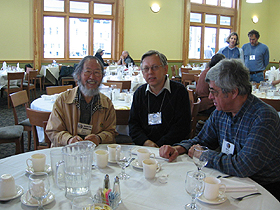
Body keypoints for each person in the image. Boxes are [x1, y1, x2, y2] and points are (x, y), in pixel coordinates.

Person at [159, 59, 280, 200]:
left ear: (233, 92)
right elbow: (202, 139)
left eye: (214, 92)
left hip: (264, 190)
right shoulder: (221, 111)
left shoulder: (264, 117)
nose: (210, 97)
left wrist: (204, 155)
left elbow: (243, 166)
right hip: (230, 181)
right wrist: (179, 148)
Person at [46, 55, 117, 147]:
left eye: (97, 72)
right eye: (87, 72)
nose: (92, 77)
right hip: (67, 153)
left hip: (94, 153)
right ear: (78, 75)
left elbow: (111, 132)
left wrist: (99, 138)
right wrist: (69, 140)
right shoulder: (63, 100)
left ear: (102, 77)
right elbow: (53, 131)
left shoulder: (106, 103)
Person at [129, 50, 191, 148]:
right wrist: (146, 142)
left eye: (155, 67)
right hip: (145, 148)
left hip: (172, 149)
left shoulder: (179, 91)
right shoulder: (139, 93)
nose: (150, 72)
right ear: (142, 72)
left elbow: (183, 126)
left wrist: (159, 146)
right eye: (146, 69)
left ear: (165, 69)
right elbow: (133, 125)